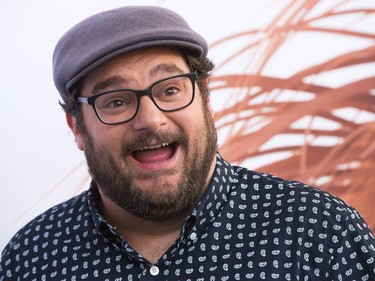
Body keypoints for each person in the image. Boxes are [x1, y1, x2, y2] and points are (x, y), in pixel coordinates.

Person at [1, 5, 374, 280]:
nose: (150, 119)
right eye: (115, 101)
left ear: (206, 99)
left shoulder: (323, 232)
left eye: (170, 89)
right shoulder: (31, 258)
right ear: (77, 128)